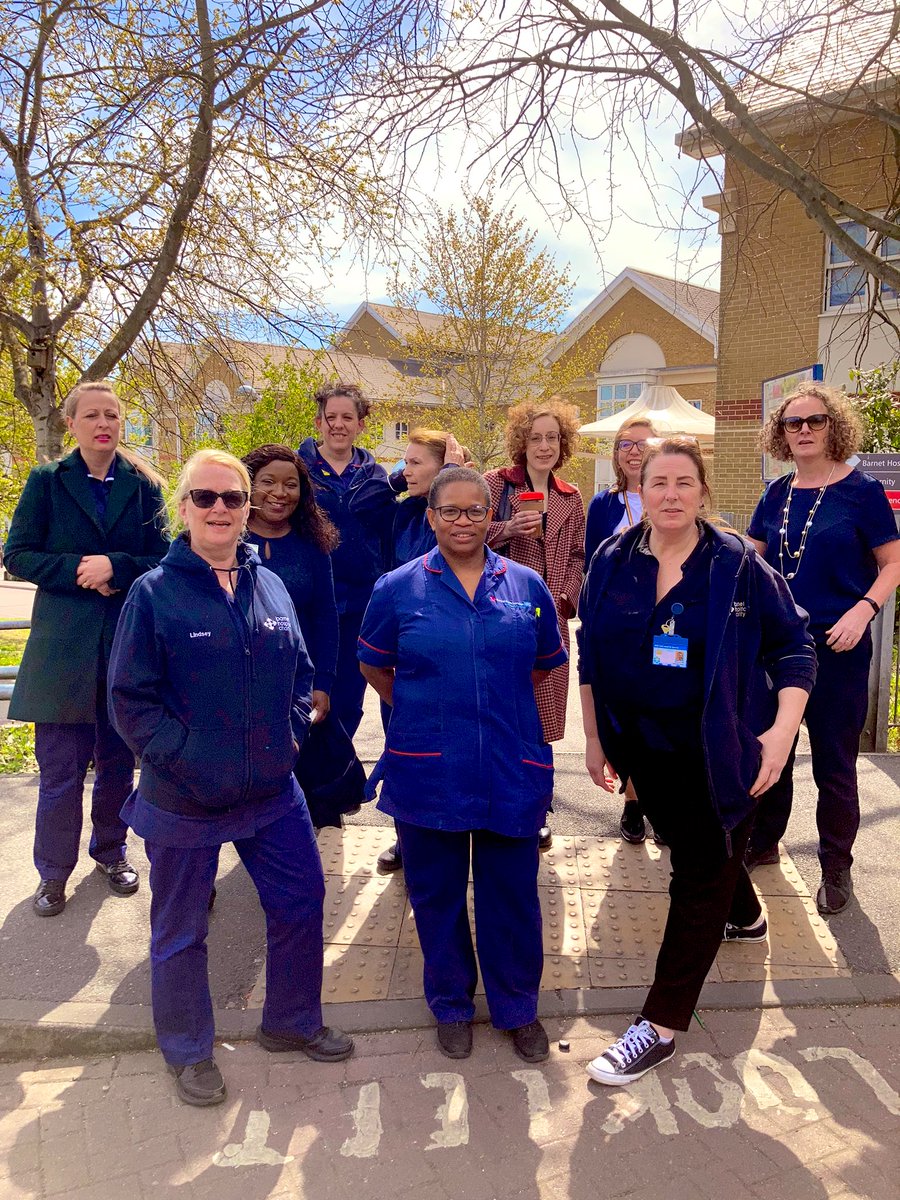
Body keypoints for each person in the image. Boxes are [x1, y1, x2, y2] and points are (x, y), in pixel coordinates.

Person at [108, 449, 353, 1107]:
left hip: (272, 791)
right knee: (182, 930)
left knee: (302, 901)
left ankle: (292, 1022)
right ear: (184, 507)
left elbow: (301, 671)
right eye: (206, 497)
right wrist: (187, 760)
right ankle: (188, 1051)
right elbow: (130, 699)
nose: (220, 509)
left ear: (247, 509)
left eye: (232, 498)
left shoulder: (268, 584)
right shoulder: (153, 593)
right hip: (184, 798)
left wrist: (290, 738)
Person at [578, 437, 815, 1086]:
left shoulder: (736, 566)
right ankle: (745, 912)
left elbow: (795, 645)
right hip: (642, 749)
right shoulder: (612, 557)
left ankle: (658, 1027)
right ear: (641, 491)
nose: (672, 495)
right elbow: (591, 653)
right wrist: (596, 739)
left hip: (724, 752)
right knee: (697, 847)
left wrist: (781, 733)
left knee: (698, 870)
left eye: (684, 483)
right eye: (659, 483)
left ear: (703, 491)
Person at [358, 467, 567, 1062]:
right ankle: (451, 1005)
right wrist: (425, 707)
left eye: (476, 511)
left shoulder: (525, 586)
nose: (464, 522)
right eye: (450, 511)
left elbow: (544, 663)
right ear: (431, 517)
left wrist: (490, 703)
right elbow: (374, 665)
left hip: (510, 763)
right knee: (437, 894)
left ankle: (517, 1008)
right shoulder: (397, 588)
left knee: (512, 896)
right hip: (429, 766)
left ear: (489, 515)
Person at [4, 380, 169, 918]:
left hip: (125, 647)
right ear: (72, 424)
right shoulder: (48, 481)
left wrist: (116, 568)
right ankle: (53, 873)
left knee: (119, 764)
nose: (104, 424)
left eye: (113, 416)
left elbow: (165, 560)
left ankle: (111, 851)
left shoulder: (143, 486)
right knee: (60, 772)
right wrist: (81, 569)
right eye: (93, 415)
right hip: (62, 655)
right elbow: (19, 555)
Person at [746, 384, 900, 915]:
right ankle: (764, 843)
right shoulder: (775, 493)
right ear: (781, 433)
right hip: (779, 647)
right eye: (793, 423)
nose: (804, 430)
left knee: (836, 762)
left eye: (814, 420)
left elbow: (893, 563)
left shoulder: (862, 492)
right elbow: (754, 562)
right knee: (773, 751)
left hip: (839, 644)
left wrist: (864, 609)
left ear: (833, 425)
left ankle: (836, 866)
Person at [350, 427, 469, 872]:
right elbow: (359, 504)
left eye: (417, 462)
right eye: (405, 460)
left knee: (450, 743)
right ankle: (407, 835)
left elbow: (440, 546)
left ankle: (454, 829)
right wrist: (399, 478)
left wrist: (450, 477)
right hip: (403, 644)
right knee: (401, 741)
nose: (406, 468)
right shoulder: (402, 512)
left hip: (446, 643)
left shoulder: (452, 514)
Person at [242, 445, 364, 829]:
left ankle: (312, 877)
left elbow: (327, 618)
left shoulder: (313, 544)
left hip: (301, 685)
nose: (280, 492)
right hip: (243, 687)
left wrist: (323, 683)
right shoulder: (225, 536)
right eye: (268, 482)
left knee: (316, 798)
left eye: (291, 484)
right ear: (248, 487)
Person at [484, 398, 585, 847]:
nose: (544, 446)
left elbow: (580, 554)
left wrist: (565, 596)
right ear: (520, 442)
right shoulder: (494, 486)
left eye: (552, 437)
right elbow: (464, 536)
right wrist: (507, 530)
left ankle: (537, 808)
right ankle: (494, 803)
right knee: (500, 713)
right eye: (536, 437)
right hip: (500, 615)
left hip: (550, 620)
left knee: (541, 722)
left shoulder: (570, 496)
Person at [584, 415, 659, 846]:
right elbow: (593, 567)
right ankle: (633, 801)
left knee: (662, 715)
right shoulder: (604, 504)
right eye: (625, 444)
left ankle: (661, 801)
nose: (634, 451)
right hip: (618, 626)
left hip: (666, 624)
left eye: (642, 444)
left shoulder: (668, 492)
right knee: (624, 717)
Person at [298, 382, 388, 738]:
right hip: (309, 602)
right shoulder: (297, 469)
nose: (338, 424)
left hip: (361, 605)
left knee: (349, 698)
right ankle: (299, 777)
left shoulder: (377, 476)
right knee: (306, 692)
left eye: (347, 417)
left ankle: (335, 777)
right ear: (318, 422)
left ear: (361, 424)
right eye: (330, 417)